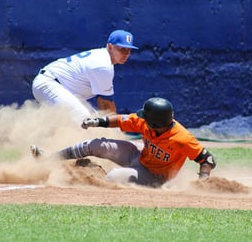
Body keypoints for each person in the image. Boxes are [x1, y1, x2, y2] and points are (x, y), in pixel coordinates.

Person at [31, 97, 216, 188]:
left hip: (154, 176)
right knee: (95, 145)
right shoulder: (146, 122)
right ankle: (49, 158)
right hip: (139, 155)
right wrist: (98, 121)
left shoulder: (182, 138)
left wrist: (203, 182)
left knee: (113, 178)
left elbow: (207, 159)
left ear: (155, 122)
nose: (141, 117)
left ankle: (91, 173)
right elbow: (120, 120)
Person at [32, 29, 138, 121]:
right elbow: (106, 105)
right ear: (110, 47)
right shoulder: (102, 65)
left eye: (129, 50)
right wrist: (116, 131)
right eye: (122, 49)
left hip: (59, 86)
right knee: (84, 119)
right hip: (49, 83)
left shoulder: (103, 59)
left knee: (92, 120)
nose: (126, 53)